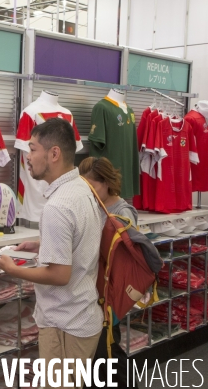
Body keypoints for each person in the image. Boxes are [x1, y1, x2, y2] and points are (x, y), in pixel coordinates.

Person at [0, 118, 104, 388]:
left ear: (53, 153)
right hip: (82, 316)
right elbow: (80, 238)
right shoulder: (80, 188)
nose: (27, 157)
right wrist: (43, 242)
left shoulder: (58, 206)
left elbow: (59, 274)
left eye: (32, 149)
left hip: (65, 325)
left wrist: (14, 270)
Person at [79, 156, 138, 389]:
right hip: (92, 292)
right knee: (99, 355)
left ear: (107, 182)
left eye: (93, 187)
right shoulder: (93, 206)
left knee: (108, 352)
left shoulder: (122, 212)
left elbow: (124, 260)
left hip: (109, 295)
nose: (89, 193)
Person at [79, 156, 138, 225]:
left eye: (92, 188)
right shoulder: (88, 209)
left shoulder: (123, 213)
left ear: (107, 182)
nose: (87, 192)